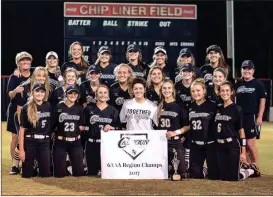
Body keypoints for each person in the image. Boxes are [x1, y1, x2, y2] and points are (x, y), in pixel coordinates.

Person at [234, 60, 266, 171]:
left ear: (253, 71)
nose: (246, 71)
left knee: (250, 143)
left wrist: (260, 116)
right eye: (244, 68)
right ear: (241, 70)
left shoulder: (258, 84)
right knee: (243, 143)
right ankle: (247, 165)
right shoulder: (237, 83)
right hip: (239, 116)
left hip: (251, 116)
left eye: (249, 69)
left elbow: (262, 100)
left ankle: (255, 165)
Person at [83, 85, 121, 176]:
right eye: (100, 92)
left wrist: (113, 128)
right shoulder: (89, 109)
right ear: (96, 95)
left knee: (107, 174)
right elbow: (83, 126)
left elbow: (119, 127)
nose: (102, 95)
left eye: (105, 92)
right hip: (92, 144)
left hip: (107, 146)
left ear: (108, 95)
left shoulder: (113, 110)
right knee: (92, 173)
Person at [157, 80, 190, 180]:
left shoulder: (179, 106)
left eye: (169, 88)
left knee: (182, 174)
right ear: (161, 90)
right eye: (164, 88)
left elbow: (187, 126)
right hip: (161, 143)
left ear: (173, 90)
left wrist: (176, 132)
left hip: (175, 142)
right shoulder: (158, 106)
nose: (167, 90)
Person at [214, 81, 247, 181]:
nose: (225, 93)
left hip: (232, 145)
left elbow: (241, 131)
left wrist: (244, 152)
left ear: (232, 92)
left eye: (227, 90)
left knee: (233, 178)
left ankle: (249, 171)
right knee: (223, 177)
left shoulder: (237, 109)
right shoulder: (218, 108)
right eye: (222, 91)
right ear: (219, 93)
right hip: (220, 146)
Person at [18, 83, 51, 178]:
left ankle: (38, 168)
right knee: (26, 175)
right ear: (32, 92)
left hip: (44, 142)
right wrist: (21, 150)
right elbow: (22, 130)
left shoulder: (48, 106)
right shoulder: (26, 108)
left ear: (45, 94)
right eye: (37, 91)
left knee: (45, 174)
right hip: (30, 142)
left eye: (42, 91)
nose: (39, 94)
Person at [188, 78, 219, 180]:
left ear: (204, 91)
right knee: (195, 175)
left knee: (214, 176)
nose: (196, 93)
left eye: (198, 90)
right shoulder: (190, 107)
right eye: (193, 91)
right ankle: (203, 169)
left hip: (210, 145)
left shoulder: (212, 105)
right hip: (196, 145)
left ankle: (208, 169)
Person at [52, 85, 85, 177]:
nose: (72, 95)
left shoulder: (79, 108)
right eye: (70, 93)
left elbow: (82, 124)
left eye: (75, 93)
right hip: (61, 141)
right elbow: (52, 124)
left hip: (76, 142)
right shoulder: (58, 106)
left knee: (79, 173)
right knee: (59, 174)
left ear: (78, 95)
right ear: (66, 94)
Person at [7, 51, 32, 175]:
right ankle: (14, 165)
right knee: (15, 137)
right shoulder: (14, 77)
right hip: (15, 110)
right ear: (18, 63)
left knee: (28, 136)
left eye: (28, 60)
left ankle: (28, 162)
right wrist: (15, 90)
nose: (25, 62)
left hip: (30, 110)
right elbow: (10, 94)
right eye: (22, 60)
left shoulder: (33, 75)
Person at [174, 63, 195, 171]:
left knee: (191, 138)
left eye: (189, 71)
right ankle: (182, 161)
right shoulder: (176, 85)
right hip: (180, 114)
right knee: (182, 138)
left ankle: (188, 161)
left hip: (193, 113)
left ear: (192, 73)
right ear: (181, 73)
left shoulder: (195, 85)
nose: (186, 73)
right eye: (184, 72)